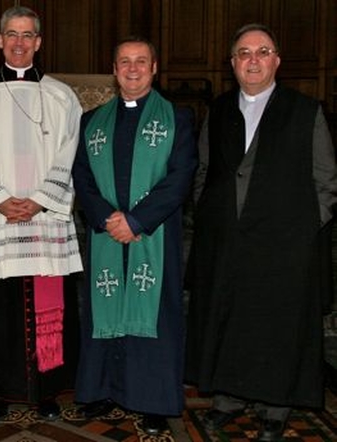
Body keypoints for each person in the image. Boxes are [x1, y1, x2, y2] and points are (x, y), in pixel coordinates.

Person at [185, 23, 337, 442]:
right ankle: (229, 400)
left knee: (276, 326)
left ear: (277, 61)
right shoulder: (217, 110)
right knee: (230, 321)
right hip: (228, 244)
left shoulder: (306, 110)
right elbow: (204, 172)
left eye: (262, 51)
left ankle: (275, 407)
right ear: (232, 63)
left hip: (285, 247)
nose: (253, 60)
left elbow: (326, 181)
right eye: (244, 53)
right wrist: (212, 217)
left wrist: (302, 230)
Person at [0, 6, 83, 421]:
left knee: (47, 305)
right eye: (12, 34)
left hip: (44, 220)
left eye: (28, 35)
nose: (20, 42)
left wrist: (43, 198)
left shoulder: (62, 96)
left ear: (39, 42)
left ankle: (45, 390)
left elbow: (71, 151)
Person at [71, 36, 197, 435]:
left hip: (153, 236)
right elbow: (82, 177)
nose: (132, 68)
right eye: (124, 61)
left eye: (141, 61)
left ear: (154, 67)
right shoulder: (92, 121)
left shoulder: (178, 117)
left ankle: (153, 400)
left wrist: (138, 221)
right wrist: (107, 217)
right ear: (113, 70)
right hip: (107, 233)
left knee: (154, 316)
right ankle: (103, 389)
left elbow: (180, 178)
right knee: (104, 310)